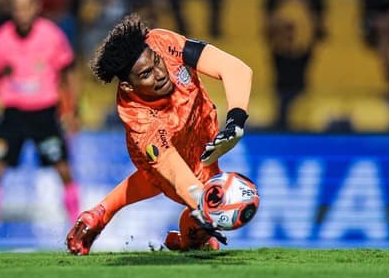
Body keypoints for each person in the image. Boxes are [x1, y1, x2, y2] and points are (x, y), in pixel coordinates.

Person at [66, 14, 252, 255]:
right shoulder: (140, 120)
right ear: (127, 86)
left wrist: (236, 120)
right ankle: (187, 241)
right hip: (165, 152)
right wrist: (203, 206)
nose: (161, 73)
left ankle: (99, 213)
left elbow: (235, 68)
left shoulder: (162, 42)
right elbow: (174, 171)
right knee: (200, 211)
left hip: (201, 128)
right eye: (146, 74)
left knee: (199, 202)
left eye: (157, 62)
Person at [0, 0, 80, 248]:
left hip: (44, 114)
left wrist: (72, 110)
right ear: (11, 10)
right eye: (17, 7)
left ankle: (80, 229)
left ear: (36, 7)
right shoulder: (1, 39)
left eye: (27, 6)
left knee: (64, 170)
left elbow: (69, 74)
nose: (22, 12)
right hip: (13, 114)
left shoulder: (52, 36)